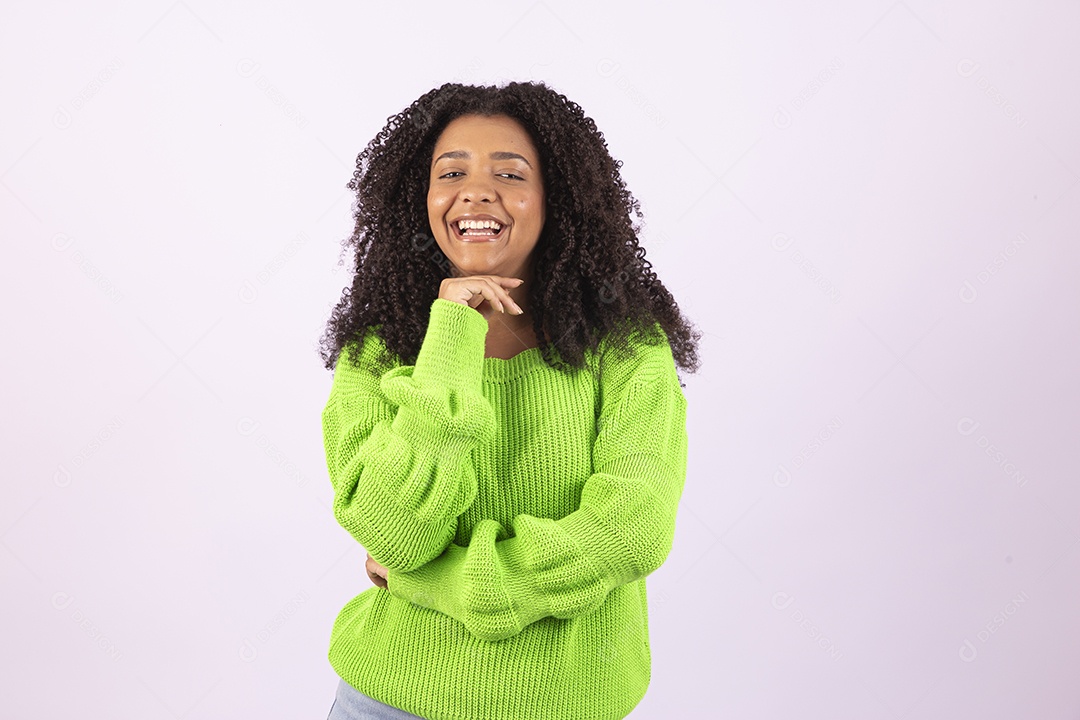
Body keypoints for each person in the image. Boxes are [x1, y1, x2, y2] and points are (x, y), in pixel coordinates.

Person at [319, 80, 701, 720]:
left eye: (510, 172)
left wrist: (431, 581)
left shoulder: (627, 348)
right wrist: (451, 335)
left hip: (564, 701)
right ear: (424, 197)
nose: (476, 190)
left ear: (558, 200)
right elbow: (395, 530)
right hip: (387, 697)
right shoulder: (381, 349)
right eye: (452, 172)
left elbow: (631, 532)